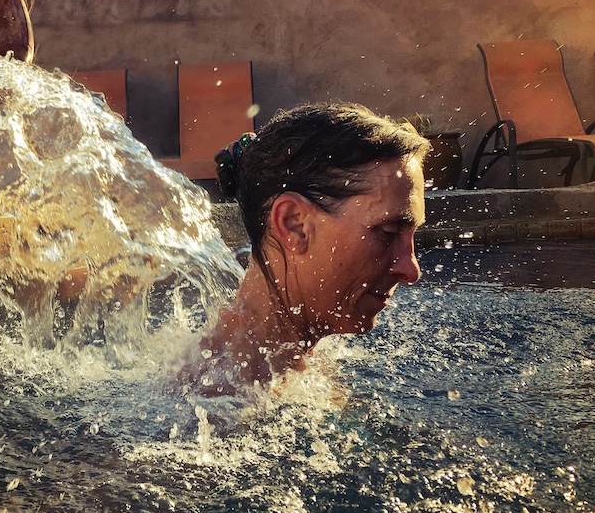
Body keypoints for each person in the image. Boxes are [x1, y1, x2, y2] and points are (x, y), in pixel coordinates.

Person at [181, 101, 430, 394]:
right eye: (387, 232)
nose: (411, 269)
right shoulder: (219, 401)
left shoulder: (294, 366)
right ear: (294, 224)